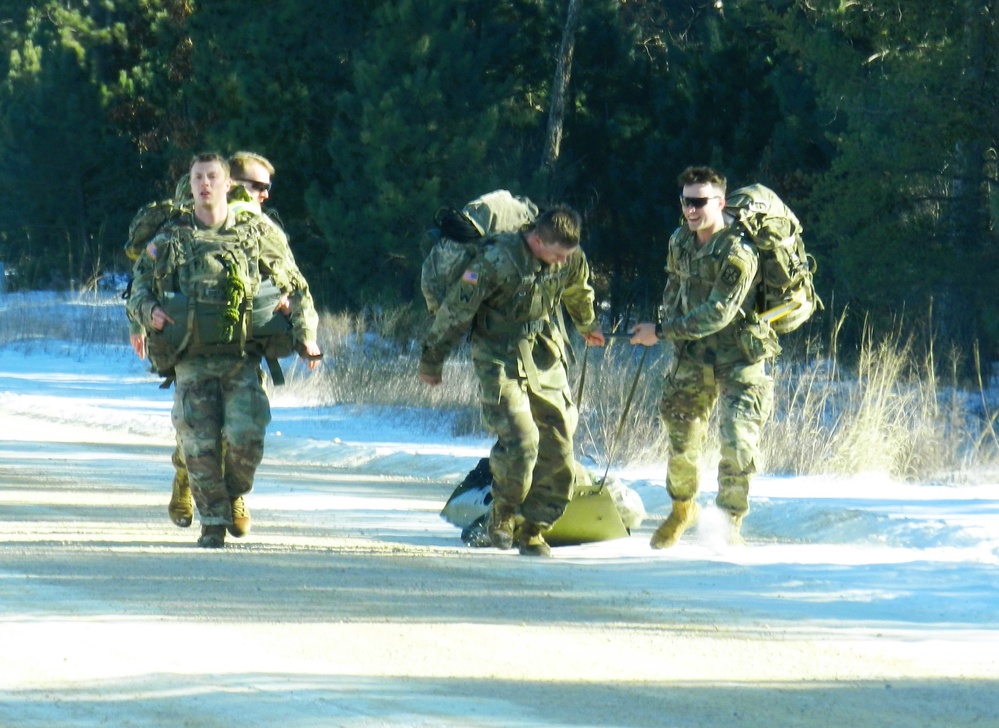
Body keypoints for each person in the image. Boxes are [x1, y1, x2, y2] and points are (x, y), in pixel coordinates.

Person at [127, 152, 320, 548]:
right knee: (199, 444)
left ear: (227, 183)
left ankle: (233, 495)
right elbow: (138, 289)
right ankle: (212, 522)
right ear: (191, 183)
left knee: (246, 439)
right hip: (191, 357)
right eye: (198, 177)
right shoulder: (170, 238)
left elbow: (295, 286)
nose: (205, 185)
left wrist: (306, 335)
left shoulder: (255, 233)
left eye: (213, 177)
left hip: (241, 355)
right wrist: (149, 313)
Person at [419, 206, 605, 557]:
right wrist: (432, 359)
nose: (563, 263)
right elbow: (457, 311)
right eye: (556, 256)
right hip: (497, 354)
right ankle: (501, 517)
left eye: (568, 256)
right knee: (522, 440)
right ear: (536, 240)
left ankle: (534, 527)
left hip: (543, 352)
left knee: (560, 441)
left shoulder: (570, 257)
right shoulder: (494, 261)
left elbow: (577, 289)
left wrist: (587, 324)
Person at [630, 166, 778, 548]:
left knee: (738, 444)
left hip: (740, 358)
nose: (691, 210)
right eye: (685, 201)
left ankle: (729, 525)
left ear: (720, 202)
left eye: (699, 202)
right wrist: (663, 323)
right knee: (682, 442)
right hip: (692, 357)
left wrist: (660, 333)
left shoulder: (738, 253)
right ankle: (683, 509)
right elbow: (673, 285)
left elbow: (717, 313)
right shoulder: (680, 240)